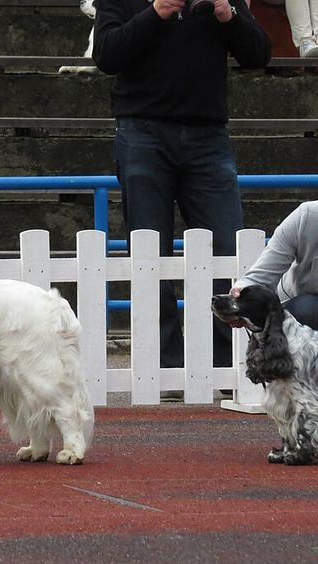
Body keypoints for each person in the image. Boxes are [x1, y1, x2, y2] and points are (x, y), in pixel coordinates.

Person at [93, 0, 271, 395]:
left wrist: (227, 14)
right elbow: (107, 54)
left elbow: (258, 54)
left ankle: (227, 366)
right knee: (149, 253)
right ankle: (163, 367)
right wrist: (156, 12)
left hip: (208, 135)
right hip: (142, 131)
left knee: (228, 250)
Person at [229, 201, 318, 329]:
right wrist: (241, 294)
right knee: (307, 309)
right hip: (302, 303)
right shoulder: (308, 216)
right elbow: (260, 277)